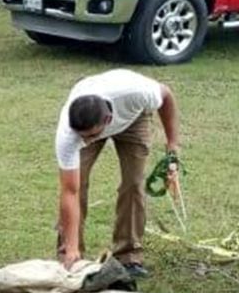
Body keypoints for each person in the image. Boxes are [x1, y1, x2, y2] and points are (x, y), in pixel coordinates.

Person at [55, 68, 180, 276]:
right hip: (95, 116)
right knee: (79, 184)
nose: (85, 141)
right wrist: (72, 248)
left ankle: (129, 258)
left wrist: (173, 145)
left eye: (91, 136)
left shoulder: (138, 93)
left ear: (108, 120)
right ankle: (70, 256)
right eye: (82, 136)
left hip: (133, 118)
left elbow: (166, 95)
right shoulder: (69, 134)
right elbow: (70, 191)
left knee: (134, 183)